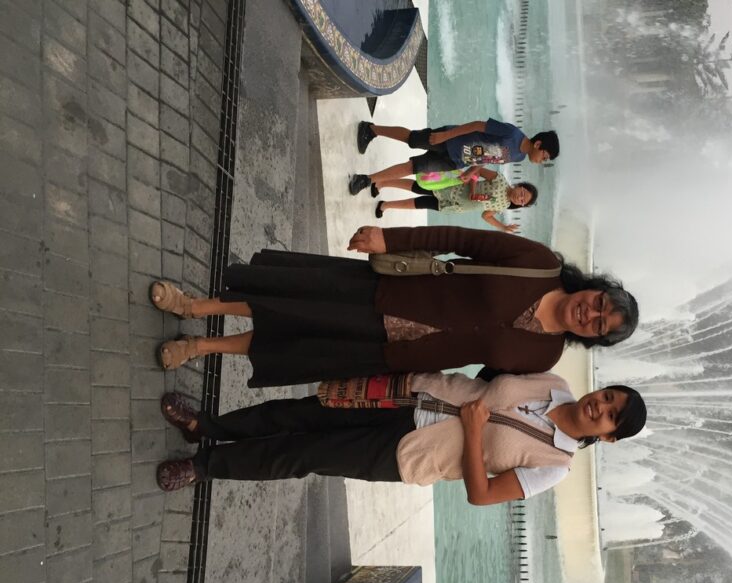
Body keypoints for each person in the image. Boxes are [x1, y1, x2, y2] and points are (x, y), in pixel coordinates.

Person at [151, 225, 639, 387]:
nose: (590, 314)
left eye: (599, 325)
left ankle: (201, 348)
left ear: (593, 338)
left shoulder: (545, 357)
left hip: (393, 354)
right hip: (389, 294)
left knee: (294, 344)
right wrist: (391, 238)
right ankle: (194, 307)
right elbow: (461, 239)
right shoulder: (539, 264)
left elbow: (480, 387)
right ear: (594, 288)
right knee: (288, 305)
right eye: (599, 303)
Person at [154, 372, 647, 506]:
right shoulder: (554, 382)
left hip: (408, 454)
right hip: (407, 395)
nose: (600, 406)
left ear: (608, 438)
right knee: (297, 411)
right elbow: (491, 371)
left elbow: (481, 495)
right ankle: (206, 427)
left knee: (304, 453)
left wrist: (475, 432)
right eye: (608, 397)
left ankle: (204, 467)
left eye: (610, 417)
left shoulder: (554, 467)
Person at [348, 119, 559, 196]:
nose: (542, 161)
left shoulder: (519, 156)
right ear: (538, 144)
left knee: (413, 167)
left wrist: (471, 171)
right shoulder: (512, 134)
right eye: (544, 156)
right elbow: (477, 125)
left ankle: (367, 179)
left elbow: (490, 157)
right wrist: (446, 135)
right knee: (411, 139)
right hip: (451, 140)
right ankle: (372, 129)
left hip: (456, 161)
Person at [373, 169, 537, 233]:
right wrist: (473, 191)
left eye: (523, 201)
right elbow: (477, 170)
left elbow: (486, 215)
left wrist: (503, 227)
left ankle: (386, 205)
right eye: (522, 193)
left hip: (455, 206)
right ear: (519, 186)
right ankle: (383, 183)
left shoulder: (504, 205)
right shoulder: (500, 179)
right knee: (418, 187)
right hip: (453, 188)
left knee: (420, 204)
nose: (520, 198)